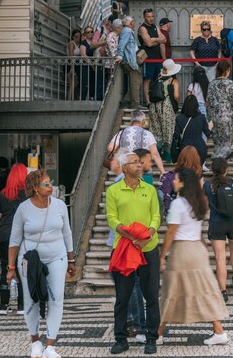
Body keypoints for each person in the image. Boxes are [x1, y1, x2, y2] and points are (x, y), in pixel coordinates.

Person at [6, 170, 75, 358]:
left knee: (56, 299)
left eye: (50, 182)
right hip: (30, 259)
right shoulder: (23, 208)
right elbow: (14, 238)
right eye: (45, 184)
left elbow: (67, 233)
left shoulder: (60, 206)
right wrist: (11, 267)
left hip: (57, 256)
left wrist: (71, 259)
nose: (50, 186)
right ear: (35, 188)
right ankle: (35, 341)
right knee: (31, 299)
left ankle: (50, 345)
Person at [159, 168, 229, 346]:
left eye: (175, 180)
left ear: (183, 183)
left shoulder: (178, 204)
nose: (173, 182)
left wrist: (162, 255)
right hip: (198, 250)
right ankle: (218, 330)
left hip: (182, 250)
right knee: (202, 288)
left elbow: (171, 232)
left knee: (171, 289)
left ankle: (158, 333)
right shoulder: (200, 202)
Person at [106, 151, 161, 355]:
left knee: (152, 295)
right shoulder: (113, 191)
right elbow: (112, 218)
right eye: (134, 163)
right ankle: (121, 339)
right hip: (124, 249)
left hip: (148, 248)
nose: (140, 165)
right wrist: (130, 237)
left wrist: (149, 234)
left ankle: (151, 338)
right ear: (125, 167)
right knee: (123, 296)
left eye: (140, 162)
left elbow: (156, 215)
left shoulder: (150, 189)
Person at [204, 157, 233, 301]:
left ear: (213, 170)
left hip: (216, 223)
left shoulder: (208, 185)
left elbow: (205, 204)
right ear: (226, 169)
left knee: (220, 257)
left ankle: (223, 291)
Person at [0, 163, 28, 315]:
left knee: (5, 268)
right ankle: (21, 306)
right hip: (23, 236)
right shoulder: (28, 195)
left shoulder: (2, 194)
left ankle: (3, 306)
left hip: (5, 235)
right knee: (22, 270)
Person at [206, 59, 233, 159]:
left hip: (215, 120)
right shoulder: (231, 84)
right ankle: (221, 164)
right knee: (230, 146)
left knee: (219, 145)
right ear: (227, 70)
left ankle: (218, 166)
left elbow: (208, 103)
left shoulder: (211, 84)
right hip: (228, 121)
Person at [106, 111, 165, 177]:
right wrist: (162, 171)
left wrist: (120, 153)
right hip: (143, 171)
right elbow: (155, 154)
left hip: (126, 170)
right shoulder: (147, 134)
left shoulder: (121, 133)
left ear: (131, 120)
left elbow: (110, 148)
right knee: (145, 187)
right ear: (143, 121)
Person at [148, 59, 181, 163]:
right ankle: (166, 155)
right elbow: (176, 96)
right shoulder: (173, 81)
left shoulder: (157, 79)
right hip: (166, 106)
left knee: (155, 130)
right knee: (168, 130)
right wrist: (178, 101)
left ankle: (155, 154)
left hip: (154, 106)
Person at [159, 146, 205, 219]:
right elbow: (200, 191)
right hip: (193, 208)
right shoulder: (198, 174)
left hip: (176, 207)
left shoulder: (176, 173)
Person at [138, 9, 167, 105]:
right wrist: (157, 40)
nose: (150, 19)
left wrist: (154, 39)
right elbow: (148, 43)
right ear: (144, 17)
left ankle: (157, 98)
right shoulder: (142, 28)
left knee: (158, 78)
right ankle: (148, 101)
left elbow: (164, 40)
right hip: (148, 59)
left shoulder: (155, 26)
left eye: (152, 16)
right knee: (148, 79)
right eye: (148, 17)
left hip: (158, 58)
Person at [172, 97, 211, 166]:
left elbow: (176, 135)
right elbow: (207, 134)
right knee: (198, 170)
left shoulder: (179, 118)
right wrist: (210, 127)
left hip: (185, 148)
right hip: (200, 147)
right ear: (196, 105)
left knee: (186, 170)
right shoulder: (201, 117)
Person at [115, 17, 143, 109]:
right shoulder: (127, 31)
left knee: (137, 81)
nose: (134, 24)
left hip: (128, 60)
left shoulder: (125, 31)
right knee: (135, 82)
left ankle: (126, 100)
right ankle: (135, 103)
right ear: (131, 23)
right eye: (133, 22)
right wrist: (119, 55)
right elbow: (122, 44)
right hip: (129, 60)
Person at [66, 29, 83, 100]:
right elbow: (71, 56)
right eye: (76, 36)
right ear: (73, 36)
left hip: (77, 65)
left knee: (76, 84)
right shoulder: (71, 43)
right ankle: (68, 100)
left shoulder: (79, 45)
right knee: (72, 84)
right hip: (71, 65)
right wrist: (72, 68)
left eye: (79, 37)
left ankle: (75, 99)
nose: (77, 38)